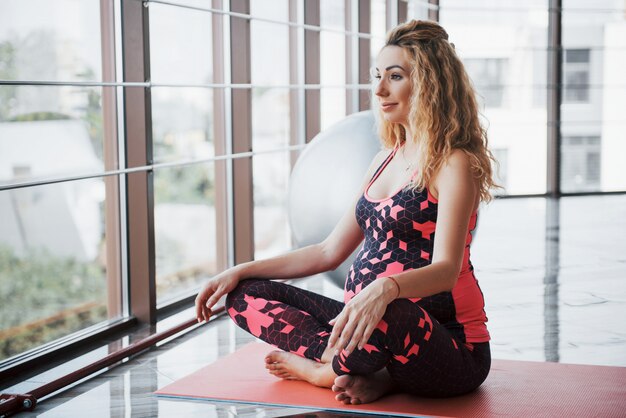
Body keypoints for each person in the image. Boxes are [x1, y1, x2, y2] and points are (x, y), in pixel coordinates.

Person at [195, 19, 499, 405]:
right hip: (369, 327)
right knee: (244, 295)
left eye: (395, 76)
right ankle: (366, 368)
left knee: (393, 312)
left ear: (428, 84)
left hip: (450, 347)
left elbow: (446, 270)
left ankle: (327, 371)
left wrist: (384, 289)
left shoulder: (453, 163)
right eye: (377, 76)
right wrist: (240, 270)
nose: (379, 90)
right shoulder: (382, 161)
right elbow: (327, 252)